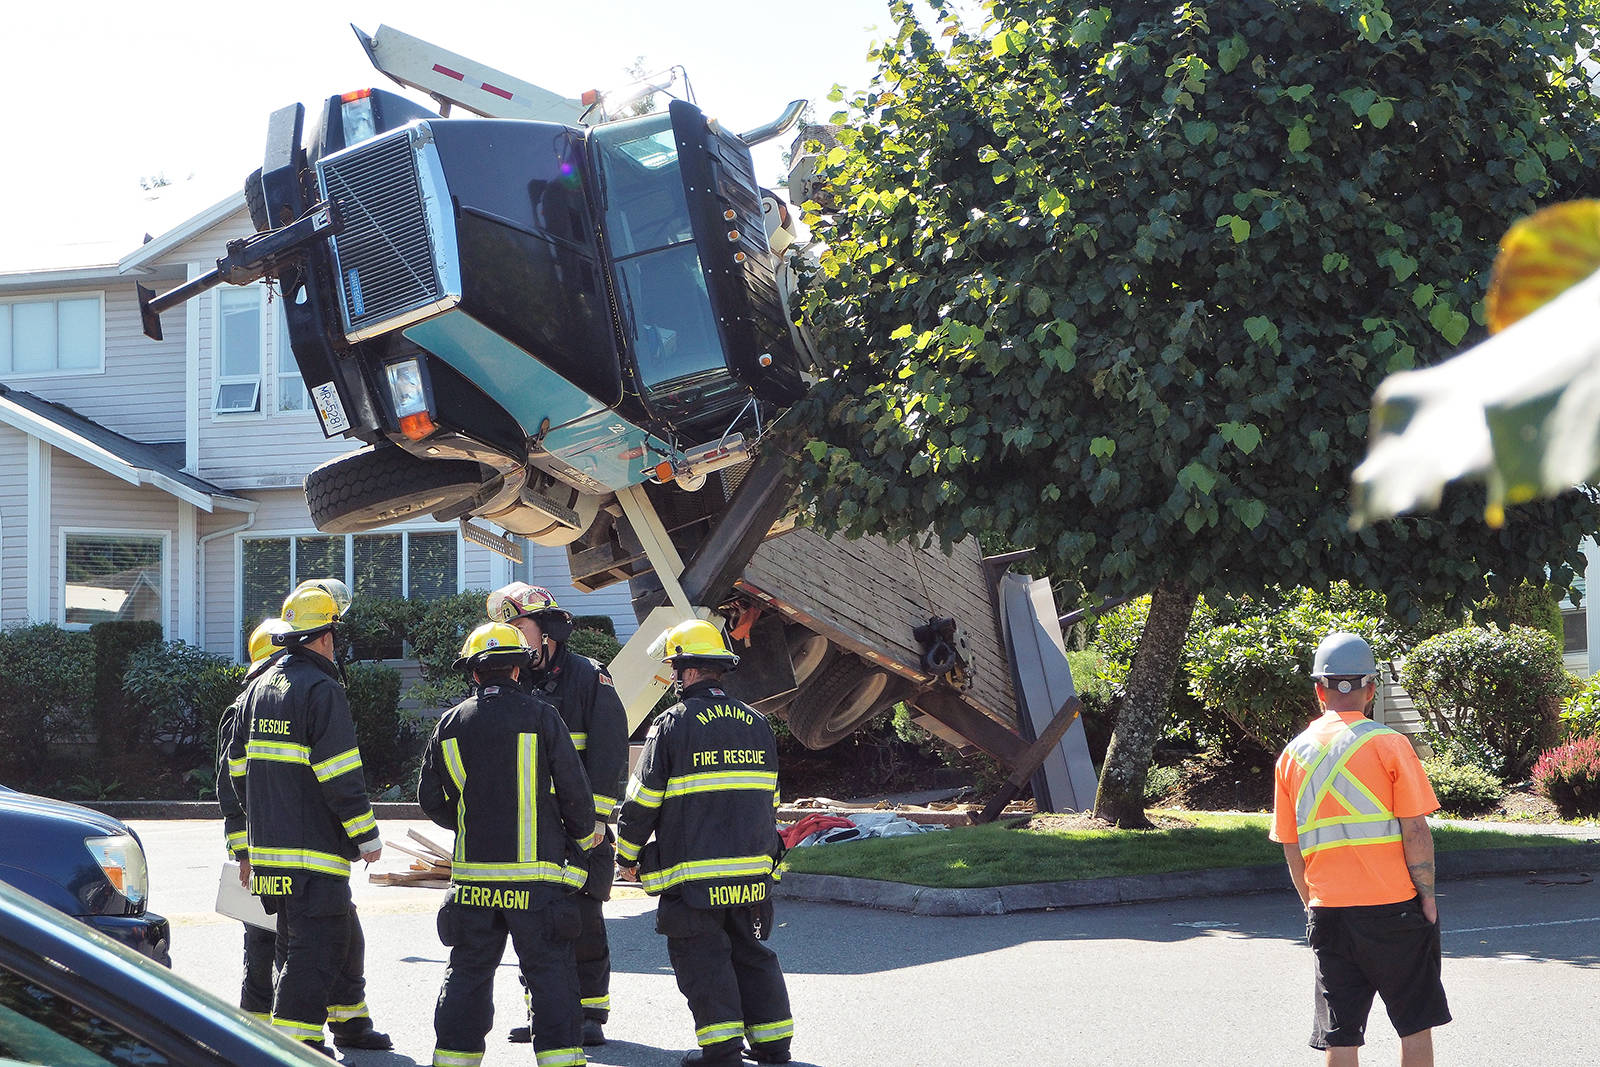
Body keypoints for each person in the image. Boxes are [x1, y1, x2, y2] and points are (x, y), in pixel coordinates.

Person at [419, 622, 602, 1067]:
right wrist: (581, 842)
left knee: (467, 973)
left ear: (475, 674)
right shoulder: (543, 717)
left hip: (473, 883)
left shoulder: (451, 723)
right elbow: (575, 794)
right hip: (537, 885)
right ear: (519, 671)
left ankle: (454, 1061)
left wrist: (467, 824)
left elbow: (430, 799)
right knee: (550, 976)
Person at [616, 620, 793, 1067]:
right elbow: (769, 800)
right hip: (752, 875)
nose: (674, 678)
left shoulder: (673, 724)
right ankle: (773, 1045)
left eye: (675, 669)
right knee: (752, 953)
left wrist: (627, 855)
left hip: (695, 880)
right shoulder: (757, 723)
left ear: (690, 671)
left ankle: (722, 1051)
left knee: (702, 959)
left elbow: (643, 802)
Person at [1271, 632, 1451, 1067]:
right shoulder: (1390, 744)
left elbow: (1292, 847)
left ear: (1319, 691)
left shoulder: (1292, 756)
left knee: (1342, 1035)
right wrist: (1427, 896)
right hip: (1393, 909)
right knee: (1413, 1025)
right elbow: (1416, 832)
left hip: (1330, 910)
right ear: (1371, 689)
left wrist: (1312, 905)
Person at [218, 613, 393, 1052]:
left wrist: (250, 847)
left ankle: (347, 1022)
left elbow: (237, 781)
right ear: (323, 639)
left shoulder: (258, 696)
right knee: (294, 949)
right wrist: (365, 835)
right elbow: (338, 773)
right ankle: (287, 1043)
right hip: (305, 857)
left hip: (272, 858)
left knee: (333, 940)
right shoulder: (312, 691)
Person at [487, 582, 628, 1048]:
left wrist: (596, 824)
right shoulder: (510, 678)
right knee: (533, 923)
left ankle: (589, 1014)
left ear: (547, 631)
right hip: (532, 829)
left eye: (518, 624)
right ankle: (543, 1012)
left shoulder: (589, 677)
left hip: (583, 826)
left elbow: (608, 753)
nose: (511, 634)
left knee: (584, 917)